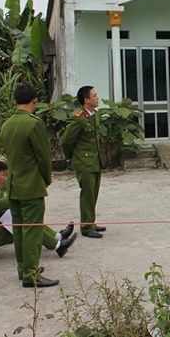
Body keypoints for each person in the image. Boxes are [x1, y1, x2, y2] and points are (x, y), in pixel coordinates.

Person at [0, 85, 58, 288]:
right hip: (31, 185)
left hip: (13, 184)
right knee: (33, 230)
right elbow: (43, 157)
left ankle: (23, 268)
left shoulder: (7, 124)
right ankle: (31, 274)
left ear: (15, 101)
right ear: (34, 100)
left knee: (18, 230)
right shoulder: (34, 124)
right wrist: (46, 179)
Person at [0, 160, 77, 259]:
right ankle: (57, 245)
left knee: (25, 217)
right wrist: (12, 197)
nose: (5, 179)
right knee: (21, 225)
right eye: (3, 175)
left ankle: (57, 237)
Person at [62, 86, 105, 239]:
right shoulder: (78, 118)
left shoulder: (94, 115)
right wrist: (70, 156)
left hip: (95, 161)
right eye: (94, 95)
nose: (97, 97)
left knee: (93, 193)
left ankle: (90, 222)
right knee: (87, 194)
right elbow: (67, 140)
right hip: (84, 161)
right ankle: (86, 227)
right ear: (86, 100)